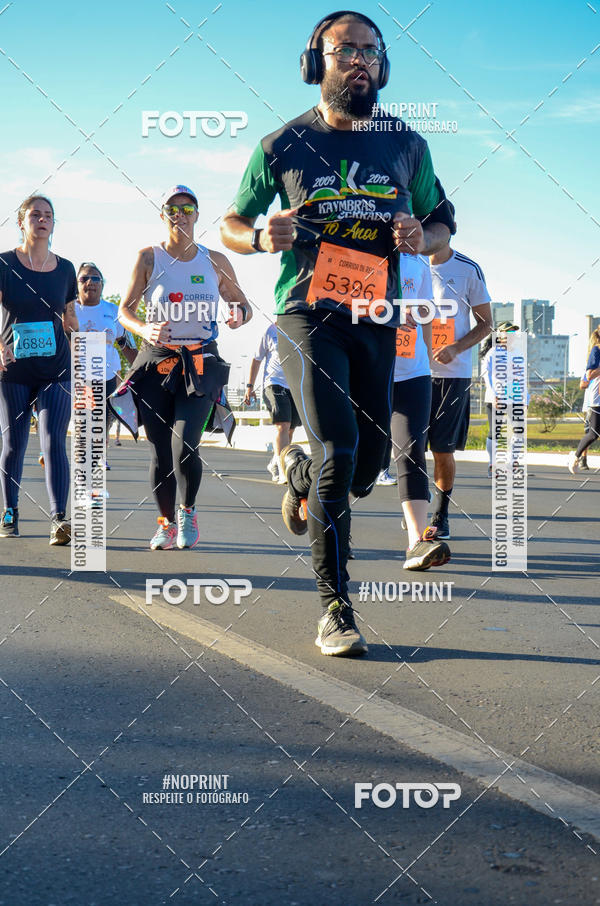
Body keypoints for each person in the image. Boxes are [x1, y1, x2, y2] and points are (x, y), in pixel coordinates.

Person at [221, 11, 455, 656]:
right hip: (307, 312)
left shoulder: (407, 145)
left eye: (370, 51)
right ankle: (336, 607)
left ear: (382, 64)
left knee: (368, 463)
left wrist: (423, 237)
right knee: (342, 447)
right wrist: (258, 237)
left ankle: (299, 477)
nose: (359, 61)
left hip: (379, 317)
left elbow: (442, 222)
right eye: (344, 50)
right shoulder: (282, 146)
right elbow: (233, 222)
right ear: (314, 62)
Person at [118, 185, 252, 550]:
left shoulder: (216, 261)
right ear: (163, 215)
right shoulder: (149, 258)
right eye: (172, 209)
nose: (180, 214)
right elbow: (125, 310)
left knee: (185, 446)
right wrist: (145, 327)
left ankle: (187, 511)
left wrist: (239, 315)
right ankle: (166, 524)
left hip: (200, 362)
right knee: (161, 451)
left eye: (187, 208)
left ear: (196, 214)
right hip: (157, 362)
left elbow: (242, 304)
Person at [0, 195, 78, 543]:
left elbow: (69, 317)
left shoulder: (65, 268)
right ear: (22, 222)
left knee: (53, 443)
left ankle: (59, 519)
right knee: (14, 445)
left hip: (55, 368)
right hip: (13, 369)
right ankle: (9, 514)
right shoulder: (4, 263)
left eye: (48, 215)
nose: (42, 220)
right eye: (35, 215)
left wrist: (84, 337)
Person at [428, 227, 492, 539]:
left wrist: (455, 347)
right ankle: (414, 504)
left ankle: (440, 515)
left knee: (442, 448)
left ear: (446, 233)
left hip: (451, 375)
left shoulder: (468, 269)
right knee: (407, 449)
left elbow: (486, 324)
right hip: (409, 372)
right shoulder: (403, 264)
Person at [392, 254, 450, 570]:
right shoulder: (362, 248)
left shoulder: (418, 264)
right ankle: (305, 490)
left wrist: (428, 359)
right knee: (357, 456)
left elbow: (425, 313)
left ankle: (416, 541)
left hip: (413, 371)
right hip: (369, 370)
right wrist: (386, 316)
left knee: (412, 450)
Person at [75, 263, 137, 470]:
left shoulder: (113, 311)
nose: (90, 283)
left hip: (109, 375)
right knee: (86, 419)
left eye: (95, 279)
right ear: (77, 284)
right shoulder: (69, 310)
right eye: (84, 278)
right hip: (80, 375)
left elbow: (126, 343)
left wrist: (139, 369)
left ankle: (99, 455)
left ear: (102, 284)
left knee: (105, 420)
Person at [244, 322, 301, 483]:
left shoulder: (302, 329)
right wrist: (250, 386)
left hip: (294, 386)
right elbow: (257, 359)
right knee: (282, 425)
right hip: (273, 383)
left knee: (290, 429)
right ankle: (283, 469)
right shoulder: (271, 330)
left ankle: (276, 460)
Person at [480, 322, 520, 479]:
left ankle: (512, 463)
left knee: (518, 429)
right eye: (509, 332)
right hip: (495, 396)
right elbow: (486, 374)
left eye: (513, 332)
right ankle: (492, 465)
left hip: (514, 396)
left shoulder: (517, 353)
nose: (512, 335)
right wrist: (494, 394)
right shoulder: (492, 353)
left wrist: (526, 397)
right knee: (495, 432)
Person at [568, 328, 600, 474]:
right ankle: (576, 457)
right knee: (593, 434)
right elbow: (590, 374)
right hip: (596, 400)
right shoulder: (596, 350)